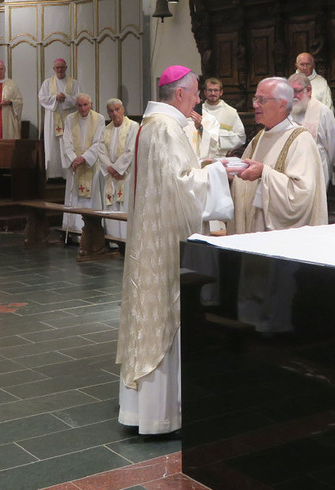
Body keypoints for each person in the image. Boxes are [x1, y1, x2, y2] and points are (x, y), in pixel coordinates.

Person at [117, 65, 235, 435]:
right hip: (166, 239)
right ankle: (160, 416)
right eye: (196, 92)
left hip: (150, 236)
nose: (200, 98)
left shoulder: (148, 125)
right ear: (180, 93)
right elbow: (182, 186)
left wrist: (206, 166)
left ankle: (141, 411)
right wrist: (220, 173)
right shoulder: (167, 129)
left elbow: (170, 179)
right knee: (166, 313)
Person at [230, 77, 327, 234]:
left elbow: (302, 194)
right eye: (255, 98)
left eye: (261, 100)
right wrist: (231, 174)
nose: (255, 105)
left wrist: (264, 173)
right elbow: (244, 184)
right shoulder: (259, 138)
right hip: (254, 230)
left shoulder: (300, 139)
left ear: (281, 103)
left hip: (281, 240)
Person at [288, 72, 335, 187]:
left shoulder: (323, 112)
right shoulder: (288, 112)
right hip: (290, 170)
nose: (293, 96)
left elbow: (334, 145)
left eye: (297, 91)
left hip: (316, 169)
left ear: (308, 90)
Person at [60, 93, 105, 233]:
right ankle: (74, 231)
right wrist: (74, 158)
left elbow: (99, 142)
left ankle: (91, 232)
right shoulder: (70, 119)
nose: (83, 108)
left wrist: (84, 158)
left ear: (90, 104)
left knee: (92, 199)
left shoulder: (99, 119)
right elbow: (66, 141)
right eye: (79, 105)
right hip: (75, 166)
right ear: (76, 106)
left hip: (91, 166)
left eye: (85, 105)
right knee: (75, 197)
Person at [96, 98, 139, 240]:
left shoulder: (133, 126)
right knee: (111, 207)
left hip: (126, 175)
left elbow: (131, 150)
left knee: (125, 206)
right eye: (111, 111)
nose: (114, 113)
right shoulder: (105, 129)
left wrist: (117, 169)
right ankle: (113, 239)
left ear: (123, 109)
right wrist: (110, 168)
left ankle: (127, 240)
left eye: (117, 109)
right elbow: (101, 151)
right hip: (111, 177)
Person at [39, 58, 81, 180]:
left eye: (62, 67)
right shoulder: (47, 83)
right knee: (53, 145)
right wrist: (55, 98)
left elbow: (79, 99)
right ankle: (53, 173)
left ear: (66, 68)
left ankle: (68, 174)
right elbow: (42, 98)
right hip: (52, 119)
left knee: (68, 143)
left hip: (68, 119)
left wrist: (66, 97)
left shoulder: (73, 83)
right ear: (54, 69)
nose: (59, 70)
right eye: (57, 68)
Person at [201, 77, 246, 156]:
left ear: (221, 92)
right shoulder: (198, 111)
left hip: (223, 156)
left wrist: (217, 137)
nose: (213, 93)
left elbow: (241, 137)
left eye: (216, 90)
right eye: (210, 90)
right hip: (202, 155)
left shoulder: (231, 112)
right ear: (205, 92)